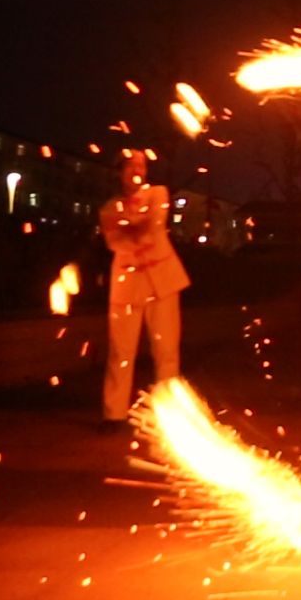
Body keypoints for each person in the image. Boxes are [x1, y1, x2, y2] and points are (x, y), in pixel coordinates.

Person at [98, 150, 189, 431]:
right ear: (120, 172)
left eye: (141, 165)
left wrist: (133, 229)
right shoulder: (110, 209)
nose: (137, 170)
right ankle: (114, 414)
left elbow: (152, 226)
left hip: (162, 280)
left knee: (166, 350)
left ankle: (170, 415)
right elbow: (117, 241)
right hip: (127, 286)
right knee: (121, 351)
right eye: (130, 166)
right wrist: (133, 230)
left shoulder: (158, 194)